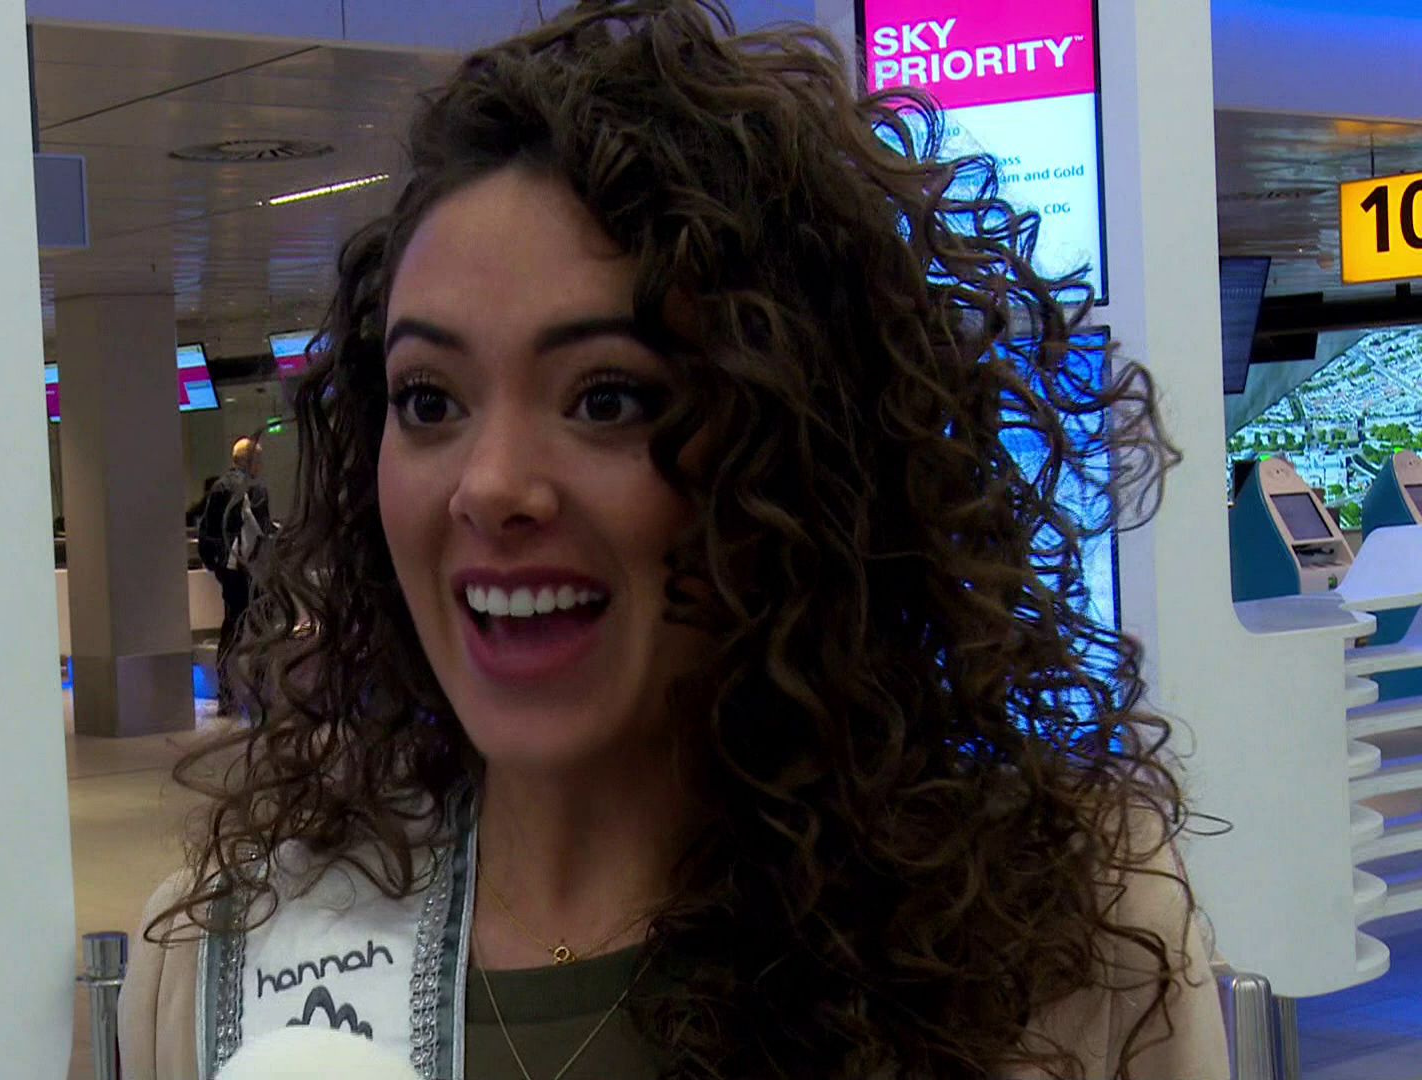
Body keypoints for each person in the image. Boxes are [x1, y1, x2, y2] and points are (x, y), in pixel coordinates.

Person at [121, 3, 1226, 1078]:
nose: (490, 486)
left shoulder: (1063, 946)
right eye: (430, 400)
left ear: (797, 446)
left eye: (608, 398)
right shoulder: (227, 961)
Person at [197, 438, 272, 691]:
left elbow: (207, 530)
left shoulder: (219, 487)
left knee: (231, 627)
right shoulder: (256, 489)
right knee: (263, 627)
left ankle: (225, 689)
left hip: (229, 568)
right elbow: (262, 531)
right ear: (251, 461)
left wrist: (217, 564)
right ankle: (260, 687)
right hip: (251, 568)